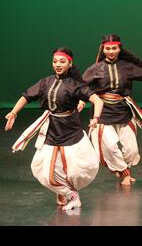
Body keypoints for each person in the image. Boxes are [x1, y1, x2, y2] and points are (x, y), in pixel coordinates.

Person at [5, 48, 103, 211]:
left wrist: (96, 118)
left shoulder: (75, 85)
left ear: (70, 63)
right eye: (55, 61)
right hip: (51, 130)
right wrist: (14, 112)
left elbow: (97, 101)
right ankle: (68, 193)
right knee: (40, 168)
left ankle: (68, 193)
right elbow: (26, 96)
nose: (57, 64)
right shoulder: (46, 82)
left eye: (62, 61)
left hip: (71, 132)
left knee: (75, 168)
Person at [82, 34, 142, 186]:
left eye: (114, 48)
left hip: (123, 112)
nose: (111, 51)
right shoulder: (95, 69)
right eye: (108, 48)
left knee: (132, 151)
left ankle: (123, 169)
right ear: (103, 49)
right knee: (109, 146)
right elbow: (80, 88)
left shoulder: (127, 66)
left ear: (119, 48)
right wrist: (80, 102)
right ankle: (124, 173)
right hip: (103, 114)